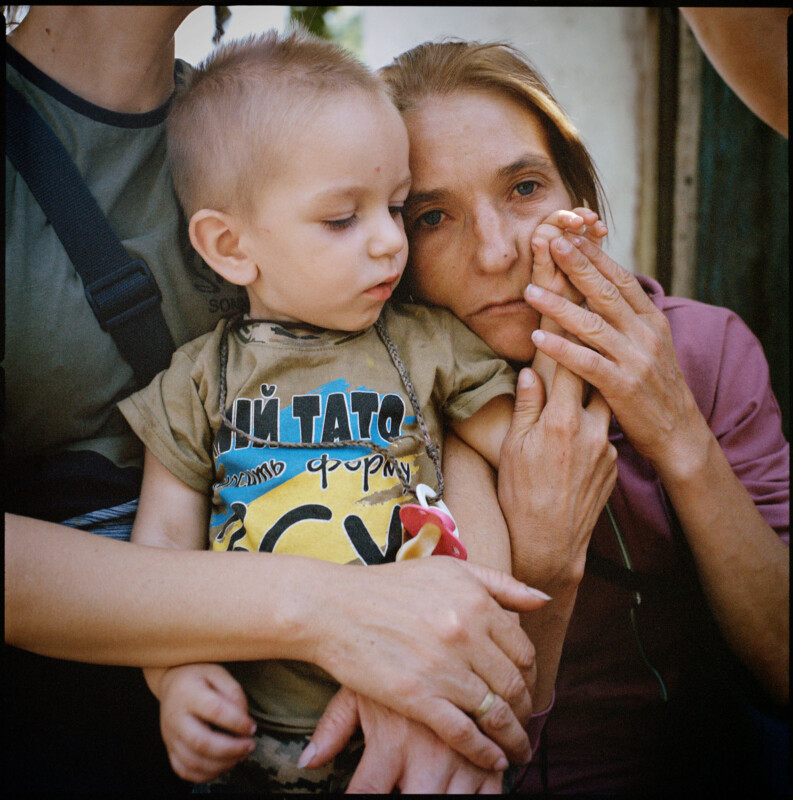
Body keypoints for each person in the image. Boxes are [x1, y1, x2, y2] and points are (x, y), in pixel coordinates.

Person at [3, 9, 549, 792]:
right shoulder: (200, 376)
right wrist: (178, 672)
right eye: (341, 219)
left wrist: (459, 640)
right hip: (223, 737)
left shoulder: (281, 129)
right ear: (226, 246)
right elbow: (163, 537)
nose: (390, 241)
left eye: (398, 209)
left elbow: (519, 446)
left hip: (417, 701)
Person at [299, 38, 789, 794]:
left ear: (576, 195)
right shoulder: (367, 411)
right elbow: (459, 748)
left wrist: (678, 436)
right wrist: (544, 568)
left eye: (524, 188)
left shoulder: (703, 349)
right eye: (435, 216)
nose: (497, 253)